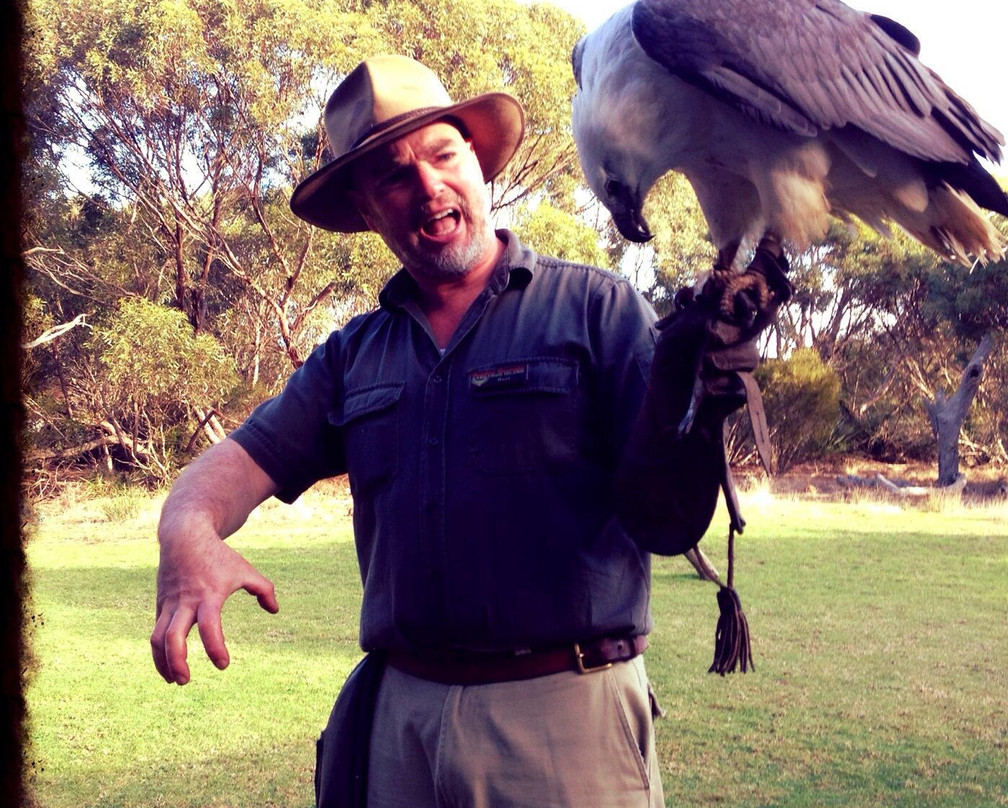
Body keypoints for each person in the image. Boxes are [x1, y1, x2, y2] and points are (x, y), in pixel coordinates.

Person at [151, 54, 788, 808]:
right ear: (365, 206)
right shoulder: (353, 356)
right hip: (401, 725)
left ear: (476, 163)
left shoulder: (598, 311)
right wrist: (187, 533)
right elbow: (226, 471)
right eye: (392, 173)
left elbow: (665, 517)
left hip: (564, 717)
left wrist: (700, 397)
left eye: (442, 153)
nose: (426, 185)